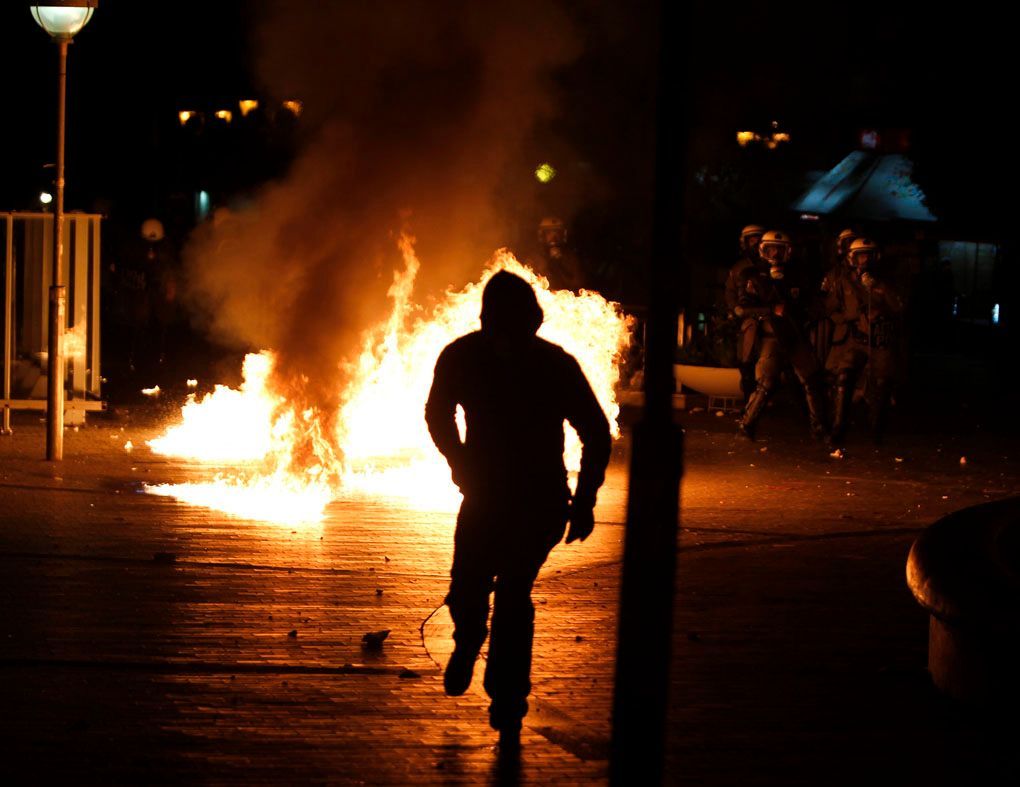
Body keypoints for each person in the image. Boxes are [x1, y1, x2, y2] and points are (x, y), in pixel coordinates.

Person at [425, 270, 611, 749]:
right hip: (487, 492)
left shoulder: (551, 364)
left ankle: (507, 699)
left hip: (538, 498)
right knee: (467, 583)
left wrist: (585, 498)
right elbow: (436, 413)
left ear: (531, 323)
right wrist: (458, 458)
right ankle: (469, 639)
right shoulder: (463, 356)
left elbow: (595, 430)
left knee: (512, 593)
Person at [734, 230, 829, 442]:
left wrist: (807, 312)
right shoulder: (752, 275)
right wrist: (770, 309)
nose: (775, 253)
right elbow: (742, 309)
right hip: (771, 336)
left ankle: (819, 428)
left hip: (795, 335)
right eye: (771, 249)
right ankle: (746, 426)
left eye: (779, 249)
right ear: (762, 250)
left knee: (811, 379)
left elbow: (812, 304)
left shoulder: (797, 275)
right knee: (767, 382)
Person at [826, 237, 904, 444]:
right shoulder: (843, 281)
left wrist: (879, 288)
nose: (864, 260)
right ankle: (838, 428)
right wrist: (847, 320)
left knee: (881, 384)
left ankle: (876, 431)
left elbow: (899, 306)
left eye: (868, 255)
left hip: (881, 341)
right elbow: (830, 308)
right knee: (844, 376)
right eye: (860, 256)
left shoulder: (887, 281)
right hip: (856, 339)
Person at [724, 224, 765, 401]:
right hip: (748, 320)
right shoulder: (738, 268)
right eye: (751, 240)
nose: (755, 244)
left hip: (771, 318)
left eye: (758, 240)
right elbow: (729, 293)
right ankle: (749, 398)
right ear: (745, 243)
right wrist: (735, 309)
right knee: (746, 360)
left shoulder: (769, 266)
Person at [527, 217, 585, 292]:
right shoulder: (534, 258)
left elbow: (579, 284)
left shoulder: (571, 258)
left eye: (557, 232)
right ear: (542, 235)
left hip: (566, 299)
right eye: (549, 233)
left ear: (563, 235)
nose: (554, 237)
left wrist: (560, 263)